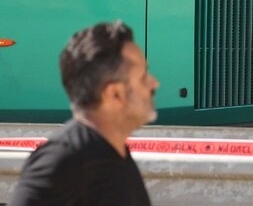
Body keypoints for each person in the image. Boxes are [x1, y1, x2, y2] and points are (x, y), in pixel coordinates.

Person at [10, 21, 158, 206]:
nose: (154, 83)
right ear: (114, 94)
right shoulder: (63, 161)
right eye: (143, 77)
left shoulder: (116, 154)